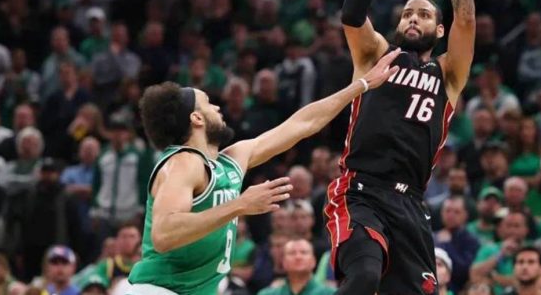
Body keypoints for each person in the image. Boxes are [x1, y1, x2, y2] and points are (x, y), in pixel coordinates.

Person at [127, 49, 400, 294]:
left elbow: (303, 123)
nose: (218, 107)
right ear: (196, 118)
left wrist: (361, 85)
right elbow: (163, 235)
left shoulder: (230, 160)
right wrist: (240, 205)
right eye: (209, 103)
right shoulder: (184, 162)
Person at [329, 0, 475, 295]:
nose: (413, 17)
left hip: (411, 203)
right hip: (361, 190)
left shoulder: (448, 73)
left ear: (438, 29)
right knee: (363, 275)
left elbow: (466, 19)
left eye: (424, 14)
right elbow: (352, 13)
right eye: (407, 12)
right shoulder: (377, 54)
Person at [257, 239, 335, 295]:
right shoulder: (267, 293)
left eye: (304, 252)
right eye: (292, 253)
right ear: (284, 262)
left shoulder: (331, 293)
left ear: (313, 261)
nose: (298, 257)